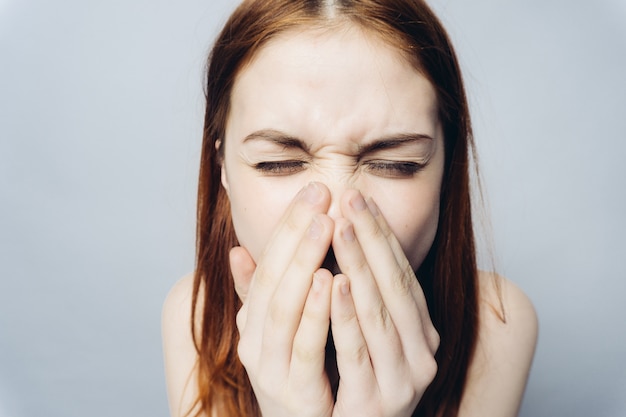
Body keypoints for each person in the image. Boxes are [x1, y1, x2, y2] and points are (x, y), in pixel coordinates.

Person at [162, 0, 538, 416]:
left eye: (398, 165)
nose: (338, 216)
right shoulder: (194, 316)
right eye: (277, 163)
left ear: (447, 170)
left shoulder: (497, 323)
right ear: (224, 171)